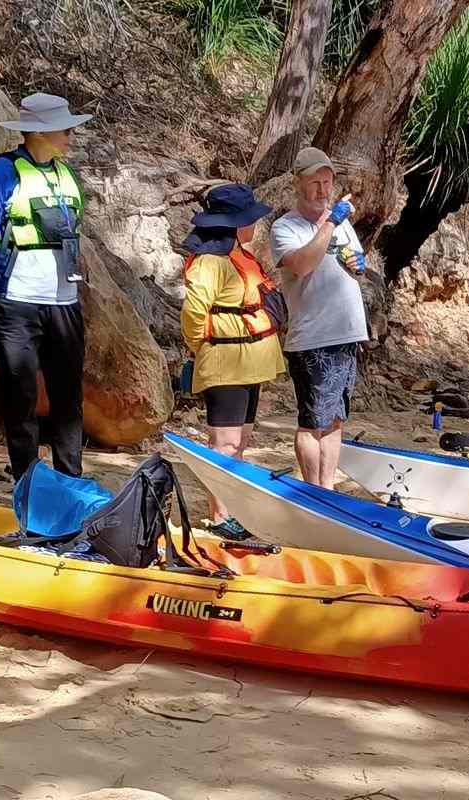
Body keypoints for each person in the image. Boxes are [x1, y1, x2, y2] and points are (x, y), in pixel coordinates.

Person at [0, 92, 93, 479]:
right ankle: (27, 479)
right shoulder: (3, 172)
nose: (71, 133)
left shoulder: (66, 175)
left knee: (68, 396)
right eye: (64, 127)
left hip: (64, 301)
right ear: (38, 132)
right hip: (17, 302)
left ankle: (69, 479)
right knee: (19, 395)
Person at [180, 182, 284, 537]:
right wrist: (202, 346)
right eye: (250, 218)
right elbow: (194, 313)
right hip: (226, 361)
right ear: (236, 223)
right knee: (224, 444)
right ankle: (221, 516)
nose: (255, 224)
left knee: (240, 441)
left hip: (249, 362)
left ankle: (233, 511)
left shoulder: (236, 254)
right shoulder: (209, 262)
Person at [271, 147, 370, 490]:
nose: (323, 190)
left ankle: (327, 488)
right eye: (315, 182)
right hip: (314, 338)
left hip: (346, 334)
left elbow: (352, 263)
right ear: (298, 183)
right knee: (313, 421)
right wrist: (330, 223)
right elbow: (302, 265)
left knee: (335, 419)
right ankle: (312, 489)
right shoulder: (286, 227)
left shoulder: (340, 224)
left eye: (327, 182)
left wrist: (358, 264)